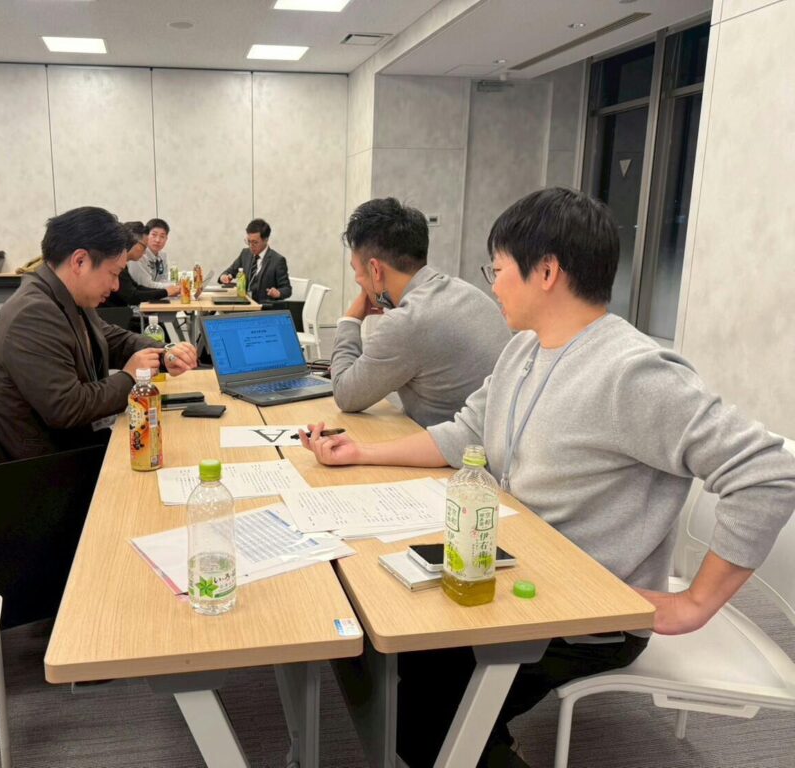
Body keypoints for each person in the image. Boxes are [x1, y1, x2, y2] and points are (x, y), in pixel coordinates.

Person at [300, 187, 795, 768]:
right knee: (396, 648)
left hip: (586, 612)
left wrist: (694, 603)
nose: (492, 285)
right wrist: (360, 453)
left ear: (547, 271)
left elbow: (768, 472)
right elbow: (466, 434)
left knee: (422, 719)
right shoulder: (524, 352)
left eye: (498, 269)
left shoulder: (631, 372)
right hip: (523, 572)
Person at [0, 207, 198, 462]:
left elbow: (112, 339)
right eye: (113, 273)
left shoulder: (67, 296)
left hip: (71, 446)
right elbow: (67, 408)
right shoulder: (32, 314)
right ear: (80, 261)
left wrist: (164, 354)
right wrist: (130, 377)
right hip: (42, 467)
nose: (116, 285)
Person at [332, 198, 508, 427]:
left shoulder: (408, 321)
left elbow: (345, 394)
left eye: (356, 271)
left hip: (453, 447)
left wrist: (350, 319)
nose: (358, 280)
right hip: (492, 438)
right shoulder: (468, 292)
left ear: (375, 269)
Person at [218, 219, 292, 302]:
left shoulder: (278, 260)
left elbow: (287, 289)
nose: (251, 246)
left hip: (263, 307)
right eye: (248, 241)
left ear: (266, 240)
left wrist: (278, 293)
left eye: (255, 242)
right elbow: (229, 271)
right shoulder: (245, 254)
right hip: (244, 303)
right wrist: (224, 277)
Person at [128, 217, 178, 291]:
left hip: (156, 295)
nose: (157, 240)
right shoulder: (138, 256)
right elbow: (145, 285)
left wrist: (173, 286)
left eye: (162, 236)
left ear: (166, 239)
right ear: (146, 236)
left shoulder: (162, 255)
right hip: (140, 296)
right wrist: (173, 286)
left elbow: (163, 279)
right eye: (154, 235)